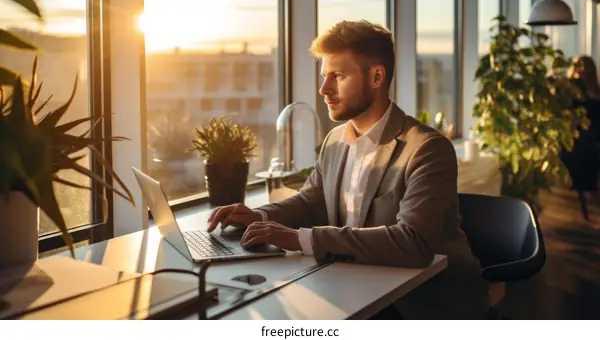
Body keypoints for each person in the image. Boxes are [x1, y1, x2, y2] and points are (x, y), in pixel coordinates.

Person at [207, 20, 490, 319]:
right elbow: (310, 201)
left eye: (337, 76)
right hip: (355, 286)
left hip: (424, 305)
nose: (323, 89)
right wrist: (261, 216)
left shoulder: (427, 149)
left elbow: (412, 243)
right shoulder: (336, 139)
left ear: (377, 76)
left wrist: (299, 238)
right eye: (324, 76)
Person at [560, 55, 600, 214]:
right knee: (584, 147)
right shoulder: (569, 91)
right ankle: (586, 190)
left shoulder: (595, 91)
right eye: (579, 67)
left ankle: (589, 191)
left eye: (585, 68)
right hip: (577, 137)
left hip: (594, 136)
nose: (582, 71)